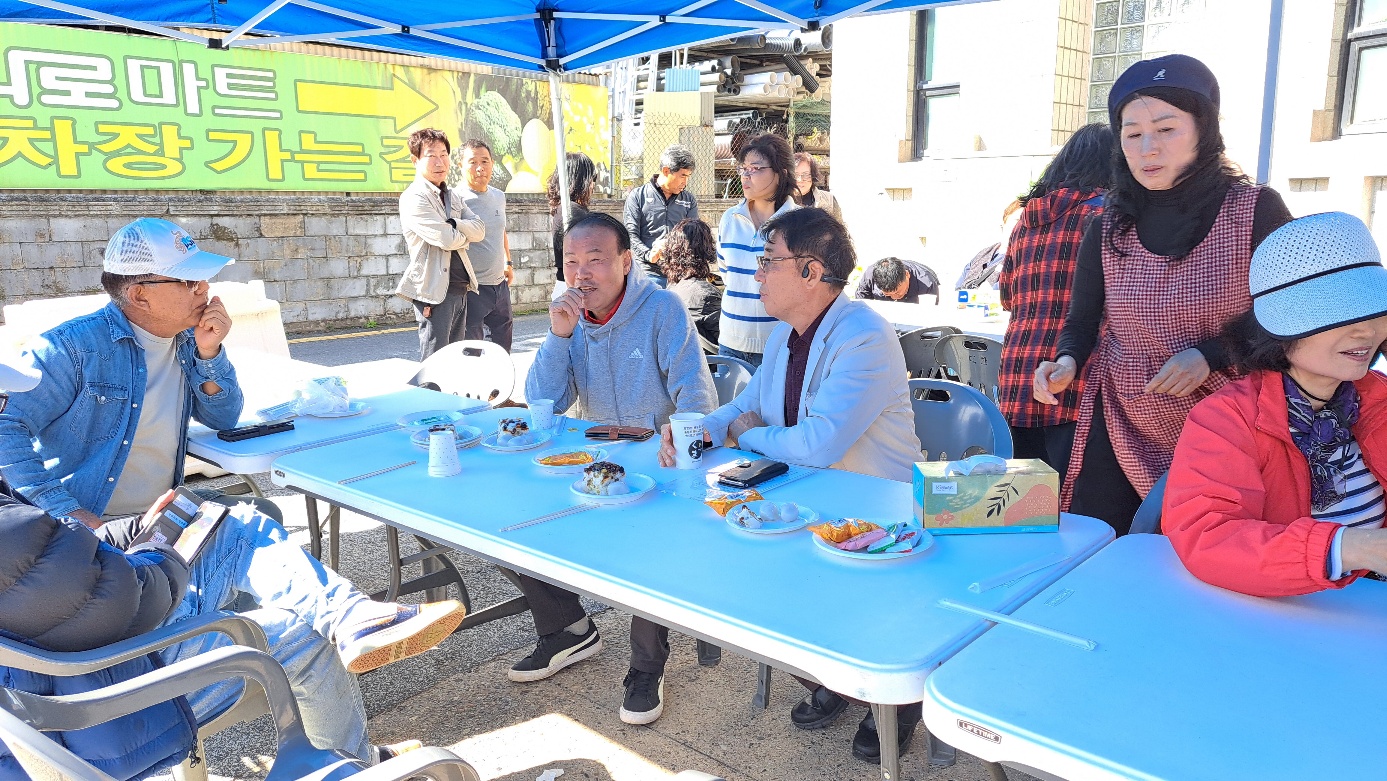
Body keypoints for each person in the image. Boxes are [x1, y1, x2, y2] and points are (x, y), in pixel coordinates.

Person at [0, 223, 465, 767]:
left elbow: (223, 416)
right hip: (104, 571)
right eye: (188, 282)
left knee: (243, 520)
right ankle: (343, 700)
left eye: (203, 279)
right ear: (139, 293)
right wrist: (75, 518)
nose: (204, 291)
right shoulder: (73, 349)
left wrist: (210, 352)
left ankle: (348, 627)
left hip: (133, 538)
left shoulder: (182, 340)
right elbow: (8, 431)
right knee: (254, 548)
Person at [657, 208, 922, 764]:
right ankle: (834, 676)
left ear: (810, 271)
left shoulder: (864, 335)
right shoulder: (785, 334)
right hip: (809, 499)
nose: (756, 274)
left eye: (767, 262)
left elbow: (818, 444)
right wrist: (696, 430)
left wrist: (748, 436)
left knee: (786, 579)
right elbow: (744, 406)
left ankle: (894, 701)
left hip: (877, 511)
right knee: (742, 575)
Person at [1032, 54, 1292, 535]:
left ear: (1203, 130)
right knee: (1099, 543)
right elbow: (1081, 322)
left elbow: (1293, 312)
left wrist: (1211, 355)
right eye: (1132, 134)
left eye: (1167, 129)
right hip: (1122, 416)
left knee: (1208, 550)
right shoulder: (1108, 225)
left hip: (1227, 422)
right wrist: (1066, 362)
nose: (1148, 148)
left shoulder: (1254, 211)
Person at [516, 211, 717, 726]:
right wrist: (558, 337)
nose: (581, 274)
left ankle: (646, 667)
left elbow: (697, 395)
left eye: (596, 260)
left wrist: (678, 443)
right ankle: (568, 629)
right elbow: (542, 404)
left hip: (661, 466)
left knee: (650, 547)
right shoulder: (571, 318)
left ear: (626, 262)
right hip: (599, 465)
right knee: (508, 521)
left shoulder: (663, 308)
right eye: (571, 262)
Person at [1165, 212, 1387, 596]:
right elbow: (1207, 534)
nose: (1366, 330)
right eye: (1340, 314)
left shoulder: (1377, 397)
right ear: (1279, 330)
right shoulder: (1226, 419)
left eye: (1376, 311)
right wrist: (1354, 548)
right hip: (1290, 609)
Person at [997, 123, 1112, 478]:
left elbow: (1007, 297)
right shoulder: (1104, 218)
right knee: (1074, 498)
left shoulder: (1025, 222)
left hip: (1018, 372)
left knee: (1022, 498)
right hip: (1077, 373)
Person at [396, 127, 486, 360]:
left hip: (459, 289)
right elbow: (446, 239)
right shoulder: (414, 198)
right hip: (434, 293)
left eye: (444, 154)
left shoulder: (451, 195)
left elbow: (480, 230)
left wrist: (454, 223)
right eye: (431, 155)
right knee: (435, 362)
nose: (440, 162)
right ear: (415, 160)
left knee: (454, 361)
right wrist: (463, 235)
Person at [717, 134, 799, 369]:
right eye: (743, 169)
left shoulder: (797, 223)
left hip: (780, 343)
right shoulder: (730, 219)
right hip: (731, 343)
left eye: (755, 168)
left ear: (780, 173)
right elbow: (727, 275)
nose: (745, 176)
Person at [458, 139, 515, 352]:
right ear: (461, 166)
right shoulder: (456, 199)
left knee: (503, 347)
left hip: (499, 285)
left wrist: (508, 262)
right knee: (472, 351)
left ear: (492, 163)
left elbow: (501, 231)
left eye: (485, 161)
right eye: (473, 162)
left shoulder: (498, 196)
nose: (480, 168)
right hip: (471, 288)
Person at [624, 143, 700, 288]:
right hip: (647, 274)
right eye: (683, 176)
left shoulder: (689, 200)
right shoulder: (638, 196)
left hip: (679, 275)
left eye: (688, 176)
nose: (685, 182)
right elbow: (630, 235)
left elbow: (694, 236)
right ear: (666, 171)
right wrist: (649, 254)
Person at [658, 218, 723, 354]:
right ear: (706, 249)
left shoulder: (671, 289)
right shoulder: (707, 295)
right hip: (709, 363)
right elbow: (727, 341)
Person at [548, 152, 598, 299]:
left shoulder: (565, 209)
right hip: (575, 288)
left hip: (567, 286)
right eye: (592, 179)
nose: (593, 185)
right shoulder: (573, 212)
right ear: (581, 180)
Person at [853, 257, 941, 304]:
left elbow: (928, 316)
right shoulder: (870, 275)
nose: (894, 298)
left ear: (907, 275)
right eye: (888, 295)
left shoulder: (927, 285)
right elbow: (861, 303)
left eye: (898, 293)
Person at [792, 151, 842, 222]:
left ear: (813, 176)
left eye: (806, 175)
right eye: (795, 175)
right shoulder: (780, 201)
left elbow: (839, 227)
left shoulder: (829, 200)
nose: (800, 180)